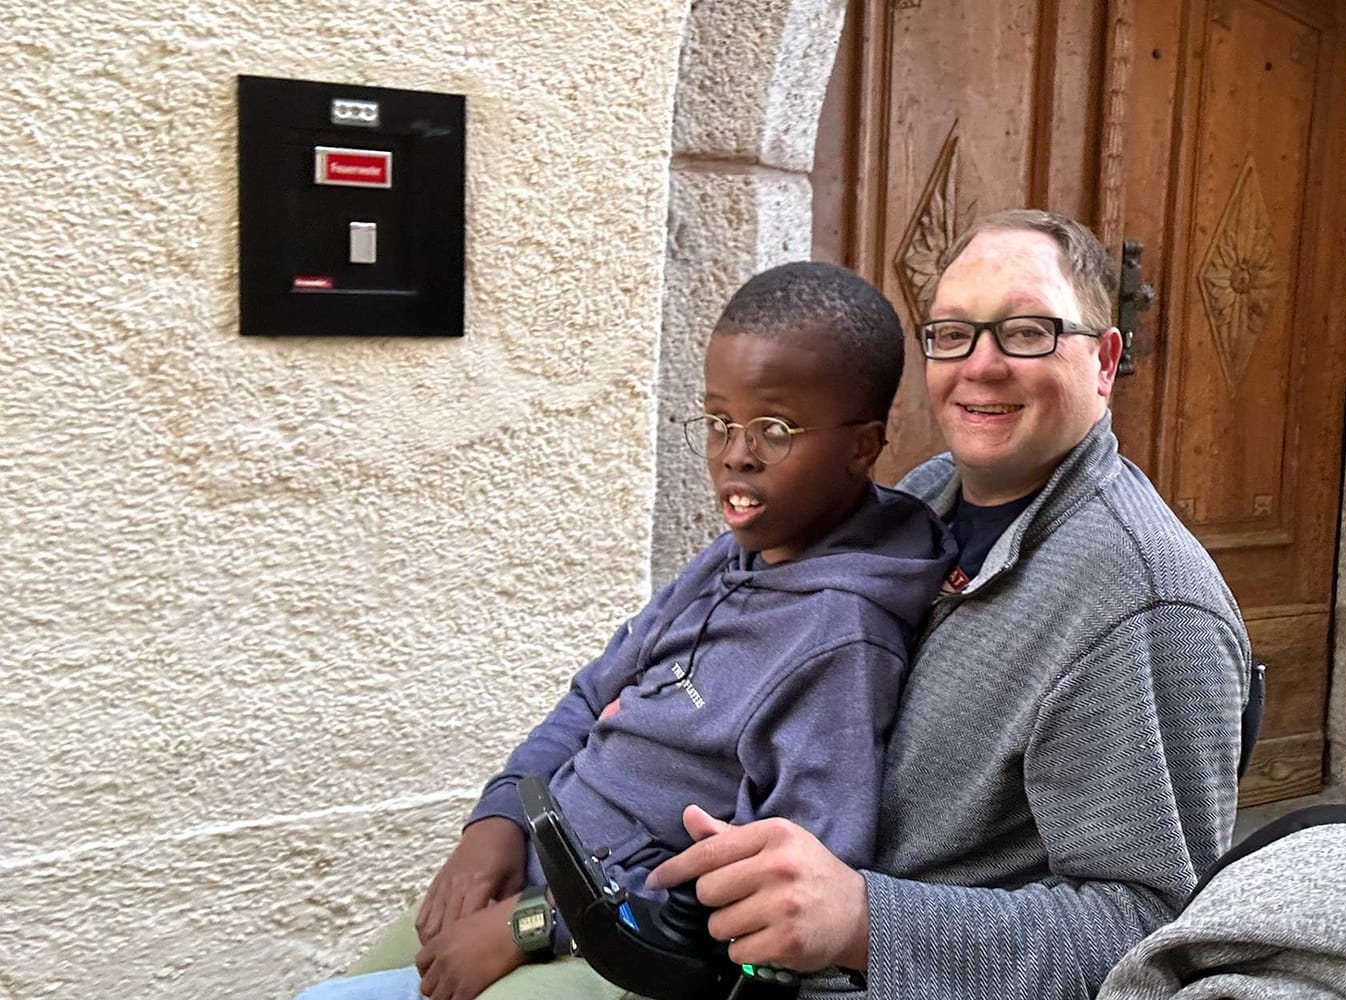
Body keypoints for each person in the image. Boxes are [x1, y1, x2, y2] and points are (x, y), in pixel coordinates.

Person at [294, 261, 956, 1000]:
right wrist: (501, 816)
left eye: (774, 428)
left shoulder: (840, 638)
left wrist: (538, 923)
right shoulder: (740, 553)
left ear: (863, 447)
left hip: (630, 952)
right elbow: (590, 696)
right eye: (718, 422)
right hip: (545, 876)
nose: (736, 453)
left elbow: (779, 886)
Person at [646, 209, 1252, 998]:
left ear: (1105, 361)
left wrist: (867, 921)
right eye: (953, 333)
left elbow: (1152, 932)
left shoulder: (1146, 606)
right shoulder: (919, 501)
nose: (981, 365)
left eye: (1028, 332)